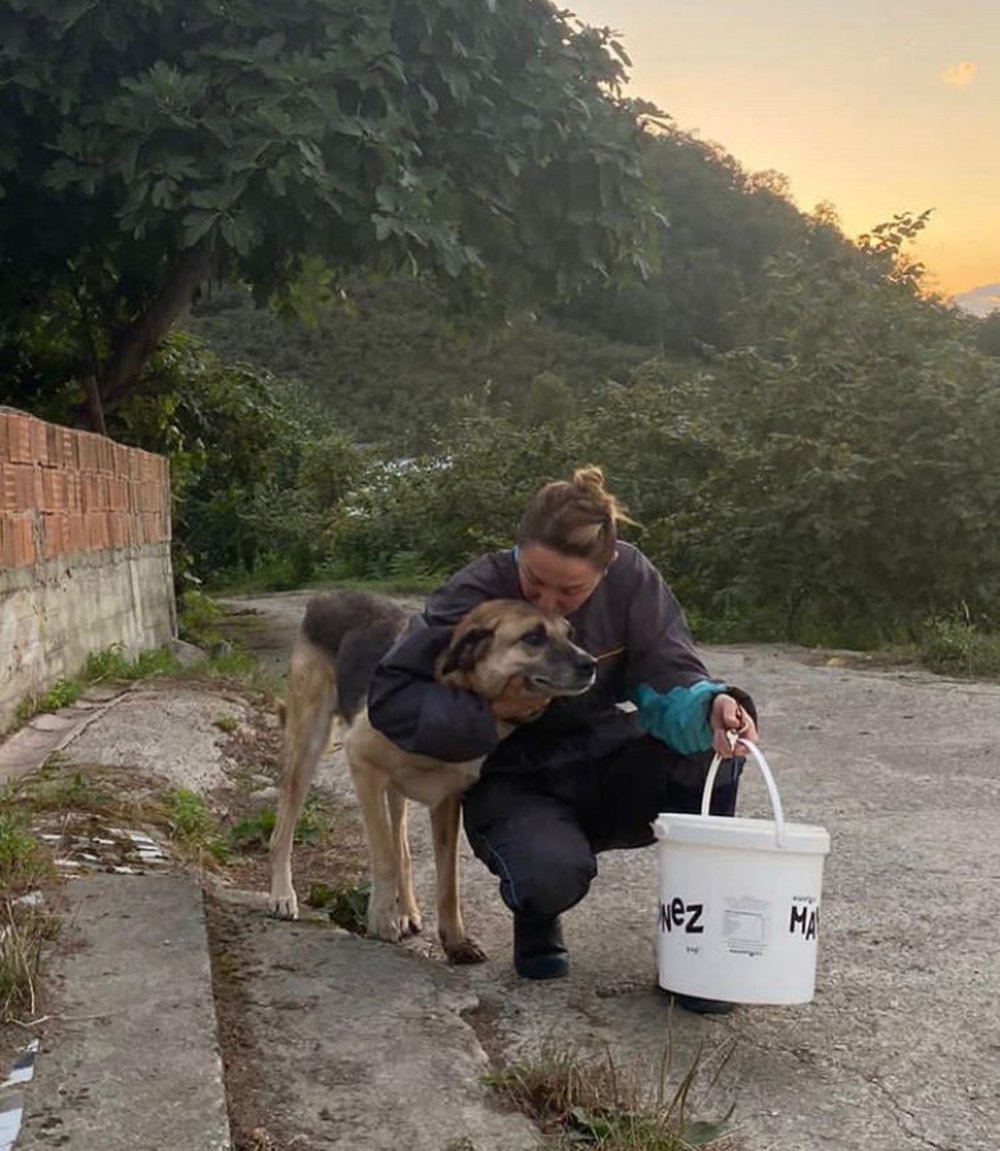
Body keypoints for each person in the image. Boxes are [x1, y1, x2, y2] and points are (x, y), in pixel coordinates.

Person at [367, 466, 759, 1013]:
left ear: (609, 567)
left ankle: (702, 948)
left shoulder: (633, 581)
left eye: (570, 590)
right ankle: (537, 910)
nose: (548, 603)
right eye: (533, 583)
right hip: (513, 776)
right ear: (516, 552)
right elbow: (393, 695)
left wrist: (711, 705)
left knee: (715, 733)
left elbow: (668, 672)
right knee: (547, 875)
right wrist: (489, 715)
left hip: (598, 755)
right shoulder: (473, 594)